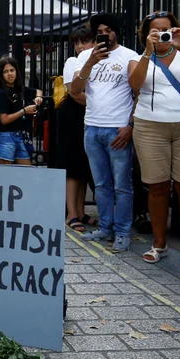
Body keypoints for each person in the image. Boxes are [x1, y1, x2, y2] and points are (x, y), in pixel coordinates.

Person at [128, 11, 180, 268]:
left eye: (168, 29)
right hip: (150, 127)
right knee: (157, 186)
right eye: (156, 30)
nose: (164, 34)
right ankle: (159, 243)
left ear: (177, 29)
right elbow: (135, 83)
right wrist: (147, 51)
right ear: (146, 34)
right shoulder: (138, 57)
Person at [70, 13, 138, 252]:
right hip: (92, 127)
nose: (104, 34)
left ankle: (122, 231)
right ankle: (106, 227)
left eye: (109, 30)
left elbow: (139, 94)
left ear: (115, 32)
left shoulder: (130, 56)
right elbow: (76, 89)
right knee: (101, 184)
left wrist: (130, 126)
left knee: (122, 185)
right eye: (100, 31)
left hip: (117, 129)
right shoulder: (85, 56)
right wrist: (91, 62)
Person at [57, 27, 96, 232]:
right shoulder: (72, 62)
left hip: (90, 117)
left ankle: (81, 211)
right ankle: (71, 213)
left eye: (85, 41)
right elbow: (75, 93)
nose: (81, 46)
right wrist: (100, 103)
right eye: (77, 43)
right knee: (72, 168)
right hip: (73, 117)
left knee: (83, 167)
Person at [0, 57, 42, 165]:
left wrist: (38, 98)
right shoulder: (0, 93)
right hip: (5, 137)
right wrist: (24, 111)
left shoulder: (19, 89)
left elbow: (38, 91)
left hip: (20, 136)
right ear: (1, 75)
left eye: (12, 70)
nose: (10, 74)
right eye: (5, 71)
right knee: (6, 175)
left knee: (26, 171)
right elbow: (4, 120)